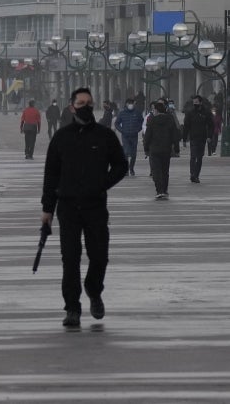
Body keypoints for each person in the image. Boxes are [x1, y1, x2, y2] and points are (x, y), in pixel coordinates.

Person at [41, 87, 128, 328]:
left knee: (99, 256)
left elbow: (121, 165)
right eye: (81, 103)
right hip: (67, 207)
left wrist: (103, 184)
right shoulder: (61, 138)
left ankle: (93, 289)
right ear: (72, 107)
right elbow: (51, 175)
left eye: (89, 103)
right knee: (70, 259)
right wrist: (47, 209)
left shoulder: (105, 136)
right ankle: (72, 308)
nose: (86, 107)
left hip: (95, 206)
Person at [143, 101, 180, 199]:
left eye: (154, 109)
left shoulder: (152, 120)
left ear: (157, 110)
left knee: (156, 171)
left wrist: (146, 148)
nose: (153, 111)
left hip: (154, 149)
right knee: (165, 171)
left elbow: (147, 136)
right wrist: (176, 148)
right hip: (166, 149)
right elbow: (175, 135)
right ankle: (164, 190)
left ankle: (159, 191)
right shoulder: (170, 119)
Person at [182, 95, 214, 183]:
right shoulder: (190, 113)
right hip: (193, 138)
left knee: (199, 158)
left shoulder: (206, 112)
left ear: (200, 102)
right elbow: (186, 126)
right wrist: (184, 139)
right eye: (194, 102)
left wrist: (209, 136)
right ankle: (192, 174)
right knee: (193, 156)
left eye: (196, 102)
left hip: (202, 138)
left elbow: (211, 125)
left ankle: (196, 175)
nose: (195, 104)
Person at [114, 98, 144, 176]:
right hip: (125, 136)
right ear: (126, 104)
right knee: (126, 152)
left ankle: (131, 168)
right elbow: (117, 123)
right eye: (129, 103)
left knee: (133, 154)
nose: (131, 105)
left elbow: (142, 122)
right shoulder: (122, 113)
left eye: (132, 103)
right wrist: (122, 130)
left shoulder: (137, 113)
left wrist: (138, 129)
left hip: (134, 136)